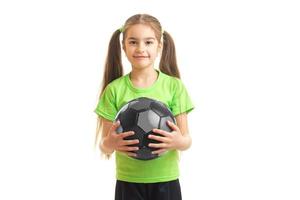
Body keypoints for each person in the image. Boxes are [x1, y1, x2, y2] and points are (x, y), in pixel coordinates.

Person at [94, 13, 194, 200]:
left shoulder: (174, 87)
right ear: (123, 46)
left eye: (148, 42)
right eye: (133, 42)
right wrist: (111, 143)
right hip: (128, 181)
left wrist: (177, 142)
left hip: (166, 179)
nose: (141, 48)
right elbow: (105, 145)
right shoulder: (114, 90)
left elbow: (186, 139)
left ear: (159, 46)